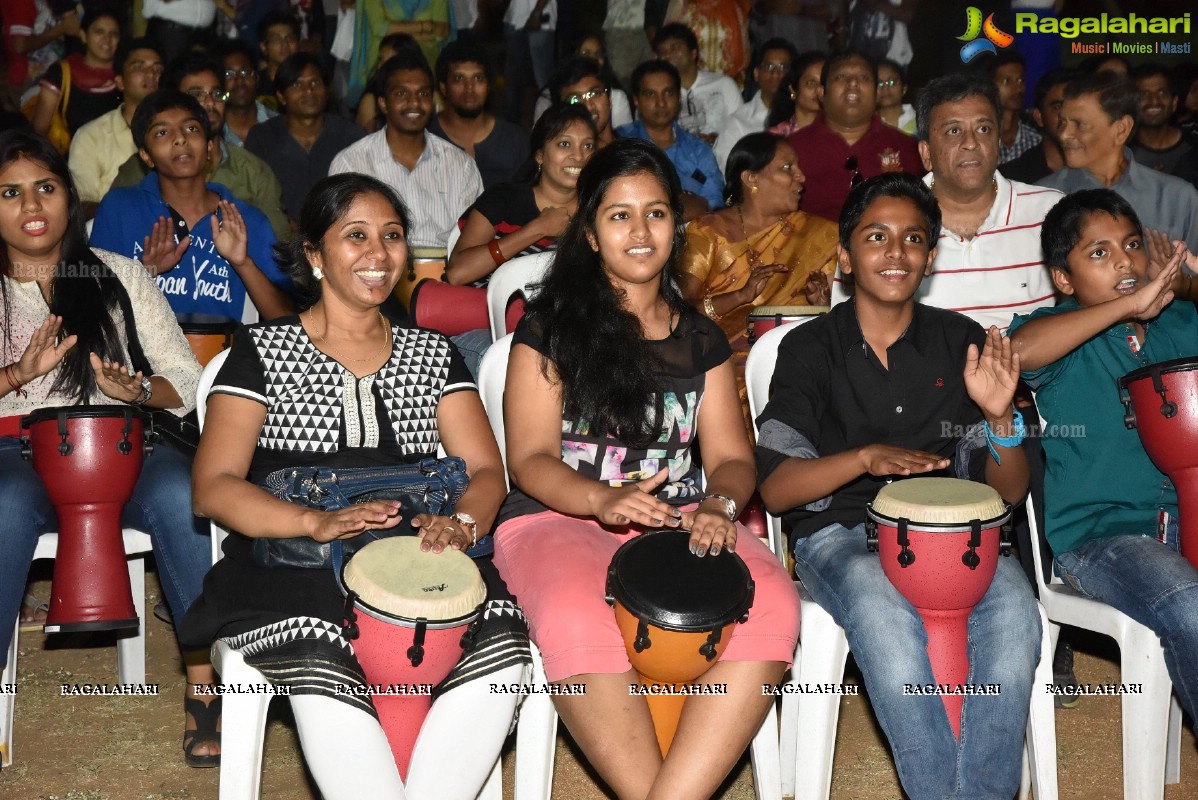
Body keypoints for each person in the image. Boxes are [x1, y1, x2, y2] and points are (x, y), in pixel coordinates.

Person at [180, 171, 528, 799]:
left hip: (424, 552)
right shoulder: (262, 351)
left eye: (392, 236)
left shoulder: (433, 352)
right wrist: (312, 522)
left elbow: (485, 471)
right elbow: (214, 486)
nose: (379, 254)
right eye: (356, 236)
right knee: (322, 644)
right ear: (313, 254)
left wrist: (465, 524)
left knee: (501, 638)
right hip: (294, 561)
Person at [493, 138, 800, 800]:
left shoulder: (702, 338)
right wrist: (602, 501)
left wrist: (719, 504)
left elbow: (730, 458)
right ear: (591, 231)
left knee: (772, 604)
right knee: (581, 616)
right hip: (558, 513)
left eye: (656, 213)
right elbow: (531, 461)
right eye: (619, 215)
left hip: (683, 515)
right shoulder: (549, 329)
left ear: (677, 225)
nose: (640, 232)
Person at [756, 172, 1040, 800]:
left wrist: (999, 420)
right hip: (841, 535)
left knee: (1018, 619)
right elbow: (776, 492)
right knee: (881, 609)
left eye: (913, 239)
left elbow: (1011, 493)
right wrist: (863, 457)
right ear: (845, 254)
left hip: (961, 536)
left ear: (930, 257)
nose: (896, 252)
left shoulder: (961, 341)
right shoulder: (808, 349)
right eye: (876, 236)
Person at [0, 129, 217, 767]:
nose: (31, 205)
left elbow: (189, 384)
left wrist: (139, 388)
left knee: (182, 492)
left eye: (45, 187)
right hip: (21, 457)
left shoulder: (119, 276)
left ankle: (204, 685)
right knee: (5, 506)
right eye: (9, 193)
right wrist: (19, 374)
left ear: (70, 197)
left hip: (124, 449)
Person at [1007, 188, 1198, 726]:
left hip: (1190, 520)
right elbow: (1018, 354)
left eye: (1133, 245)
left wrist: (1192, 275)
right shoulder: (1057, 333)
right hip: (1106, 537)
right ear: (1063, 280)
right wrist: (1128, 305)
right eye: (1099, 252)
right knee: (1190, 605)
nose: (1124, 260)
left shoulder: (1181, 322)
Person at [839, 73, 1061, 331]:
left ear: (998, 145)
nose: (970, 143)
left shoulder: (1050, 213)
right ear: (926, 153)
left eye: (983, 129)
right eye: (954, 131)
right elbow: (853, 332)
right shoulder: (879, 220)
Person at [90, 90, 293, 323]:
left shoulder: (245, 220)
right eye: (162, 132)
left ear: (209, 147)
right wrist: (146, 273)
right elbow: (92, 307)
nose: (180, 139)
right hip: (140, 357)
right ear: (146, 156)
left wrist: (243, 263)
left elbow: (286, 321)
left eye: (191, 129)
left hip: (223, 357)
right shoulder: (120, 209)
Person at [678, 131, 836, 409]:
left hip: (795, 371)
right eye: (787, 168)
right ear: (751, 178)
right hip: (718, 369)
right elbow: (681, 313)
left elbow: (841, 321)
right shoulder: (707, 232)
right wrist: (740, 296)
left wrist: (822, 306)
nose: (801, 177)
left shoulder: (821, 235)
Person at [107, 53, 292, 243]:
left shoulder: (254, 172)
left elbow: (281, 248)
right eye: (196, 95)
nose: (210, 103)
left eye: (216, 94)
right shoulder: (139, 169)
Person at [330, 51, 483, 254]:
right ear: (383, 103)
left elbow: (474, 244)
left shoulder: (461, 166)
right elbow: (341, 242)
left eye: (423, 94)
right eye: (401, 94)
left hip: (445, 278)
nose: (414, 103)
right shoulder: (351, 164)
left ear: (434, 102)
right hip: (374, 273)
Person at [1039, 71, 1198, 252]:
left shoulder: (1176, 198)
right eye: (1062, 122)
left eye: (1079, 124)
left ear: (1122, 129)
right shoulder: (1042, 199)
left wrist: (1180, 281)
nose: (1064, 135)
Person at [448, 104, 597, 287]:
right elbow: (457, 273)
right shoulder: (503, 200)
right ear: (540, 155)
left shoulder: (597, 210)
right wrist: (537, 229)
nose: (579, 155)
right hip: (494, 313)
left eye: (588, 146)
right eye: (564, 144)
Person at [787, 51, 923, 222]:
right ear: (821, 92)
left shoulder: (906, 147)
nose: (853, 83)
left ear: (876, 93)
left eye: (864, 78)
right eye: (841, 77)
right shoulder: (792, 148)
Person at [245, 52, 365, 226]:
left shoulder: (350, 135)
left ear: (327, 89)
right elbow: (251, 199)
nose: (308, 91)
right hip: (278, 240)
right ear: (281, 96)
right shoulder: (262, 137)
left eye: (315, 83)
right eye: (297, 84)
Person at [617, 59, 723, 219]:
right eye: (650, 94)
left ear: (679, 97)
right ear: (636, 100)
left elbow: (713, 204)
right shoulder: (620, 142)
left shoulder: (700, 151)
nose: (661, 103)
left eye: (668, 93)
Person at [67, 38, 164, 211]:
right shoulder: (91, 135)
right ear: (119, 81)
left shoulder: (176, 131)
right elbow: (83, 204)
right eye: (139, 67)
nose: (151, 74)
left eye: (157, 69)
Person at [429, 39, 531, 190]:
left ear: (488, 86)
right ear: (443, 87)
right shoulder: (424, 138)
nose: (469, 88)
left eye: (478, 78)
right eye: (459, 78)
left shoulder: (515, 141)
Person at [29, 7, 121, 151]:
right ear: (83, 35)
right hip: (68, 163)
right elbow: (39, 130)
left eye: (113, 34)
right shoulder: (63, 72)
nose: (107, 39)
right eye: (99, 32)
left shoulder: (125, 75)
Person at [347, 0, 453, 109]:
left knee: (428, 90)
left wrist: (396, 32)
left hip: (425, 58)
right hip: (384, 52)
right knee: (390, 57)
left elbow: (442, 32)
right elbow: (380, 28)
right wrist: (427, 26)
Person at [713, 38, 797, 171]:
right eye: (769, 67)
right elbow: (725, 171)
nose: (775, 73)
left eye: (783, 67)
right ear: (756, 74)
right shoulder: (738, 123)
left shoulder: (802, 116)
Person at [653, 21, 742, 143]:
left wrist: (718, 140)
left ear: (693, 53)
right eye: (662, 52)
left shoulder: (724, 85)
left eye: (675, 48)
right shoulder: (655, 94)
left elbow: (742, 129)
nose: (668, 55)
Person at [533, 35, 633, 133]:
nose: (593, 59)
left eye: (595, 94)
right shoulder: (548, 97)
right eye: (586, 53)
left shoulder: (616, 95)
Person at [1000, 67, 1077, 186]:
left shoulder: (1099, 170)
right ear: (1039, 117)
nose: (1067, 115)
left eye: (1075, 107)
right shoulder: (1012, 179)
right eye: (1057, 107)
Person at [1130, 63, 1198, 188]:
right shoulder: (1121, 152)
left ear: (1174, 102)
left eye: (1162, 93)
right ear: (1131, 104)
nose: (1154, 101)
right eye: (1143, 95)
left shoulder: (1194, 144)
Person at [547, 56, 630, 150]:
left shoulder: (633, 152)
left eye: (595, 93)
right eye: (575, 99)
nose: (588, 106)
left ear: (609, 99)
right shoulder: (566, 162)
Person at [663, 0, 749, 82]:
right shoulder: (683, 4)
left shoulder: (733, 5)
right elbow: (667, 43)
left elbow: (743, 51)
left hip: (728, 81)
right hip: (691, 82)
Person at [217, 38, 278, 147]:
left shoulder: (278, 125)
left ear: (257, 79)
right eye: (229, 74)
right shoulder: (213, 131)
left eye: (245, 72)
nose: (239, 80)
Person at [982, 50, 1040, 164]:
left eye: (1020, 80)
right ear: (989, 86)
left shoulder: (1036, 142)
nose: (1018, 88)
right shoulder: (980, 141)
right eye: (1006, 81)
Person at [766, 51, 826, 137]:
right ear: (793, 89)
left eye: (823, 84)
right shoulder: (777, 136)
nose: (818, 90)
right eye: (811, 83)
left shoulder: (840, 135)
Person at [256, 10, 301, 107]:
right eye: (276, 40)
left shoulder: (306, 80)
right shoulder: (256, 83)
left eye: (289, 39)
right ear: (264, 47)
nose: (284, 45)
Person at [875, 57, 914, 134]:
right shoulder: (865, 127)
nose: (885, 88)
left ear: (904, 88)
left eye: (891, 82)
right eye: (879, 83)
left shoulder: (921, 122)